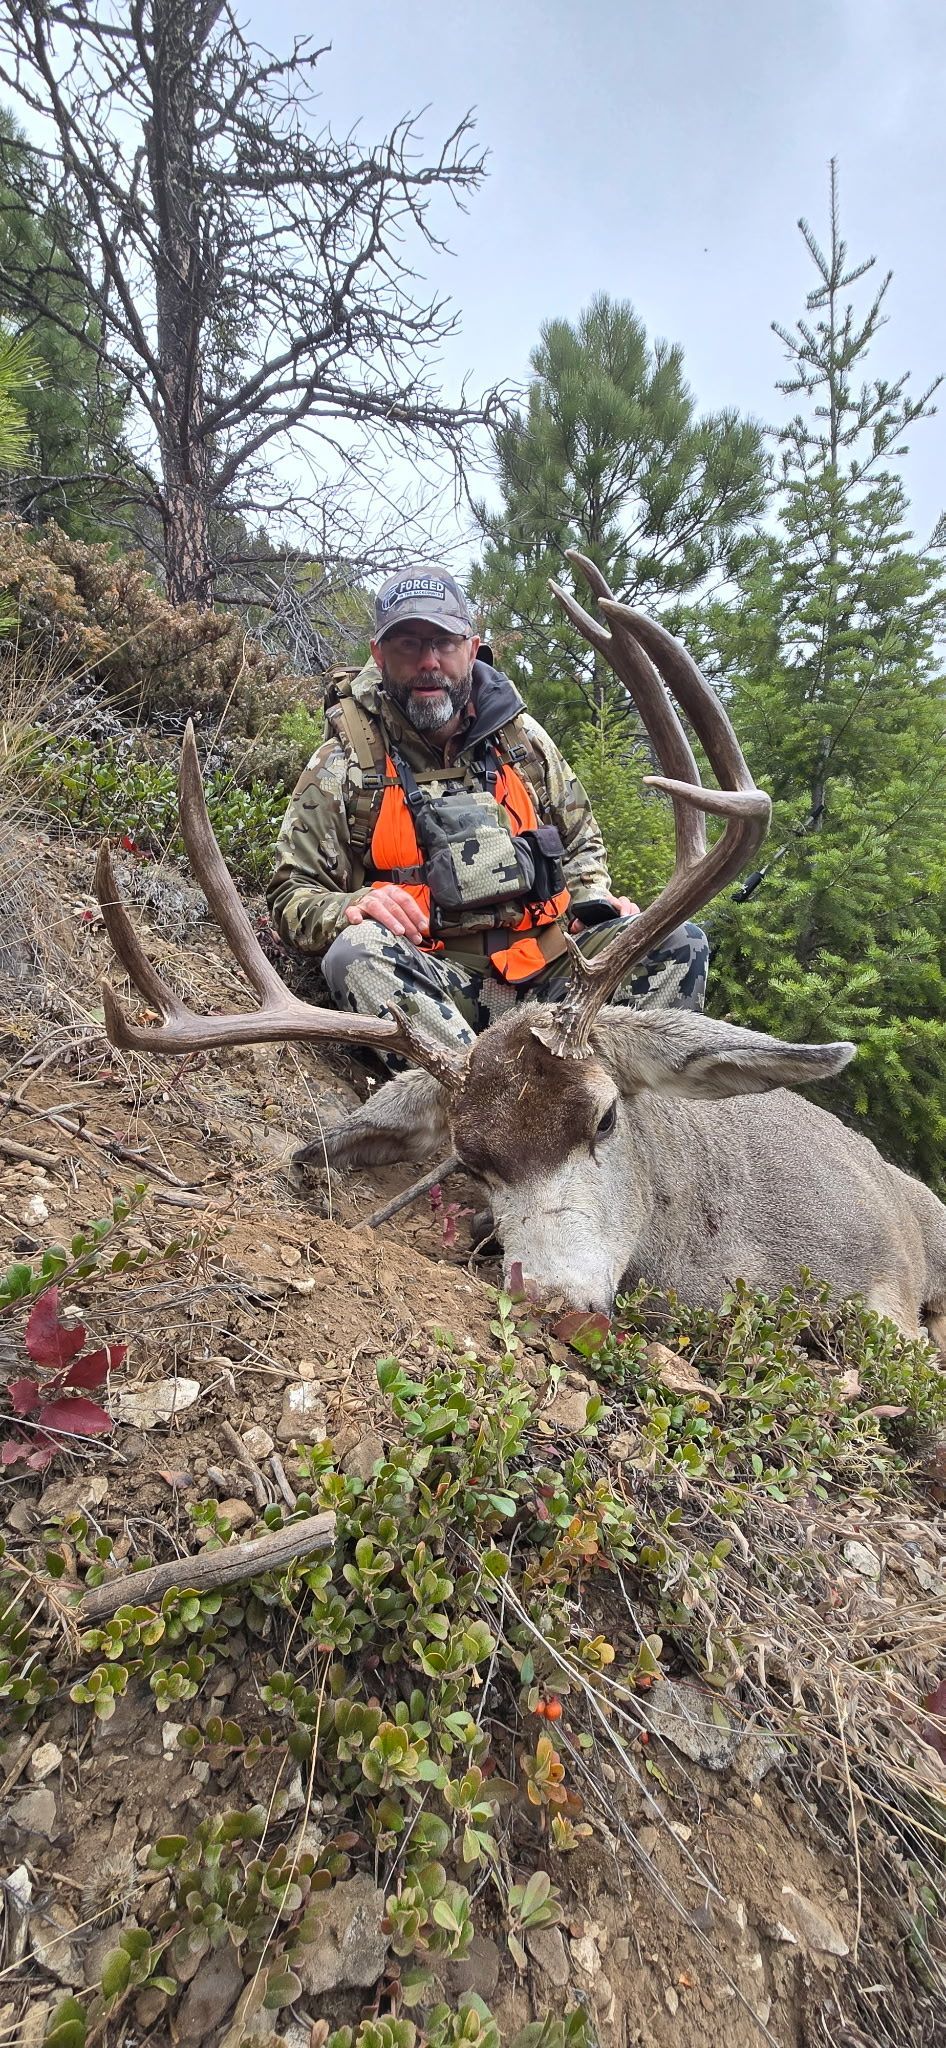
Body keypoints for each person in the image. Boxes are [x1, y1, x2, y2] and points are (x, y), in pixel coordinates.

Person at [267, 564, 708, 1056]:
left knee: (675, 941)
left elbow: (582, 842)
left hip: (551, 970)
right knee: (357, 953)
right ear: (379, 655)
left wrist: (592, 902)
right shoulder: (344, 763)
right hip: (434, 984)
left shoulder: (521, 741)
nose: (428, 662)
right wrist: (350, 906)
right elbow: (292, 895)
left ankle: (611, 1112)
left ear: (472, 648)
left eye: (445, 643)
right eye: (408, 644)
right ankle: (473, 1103)